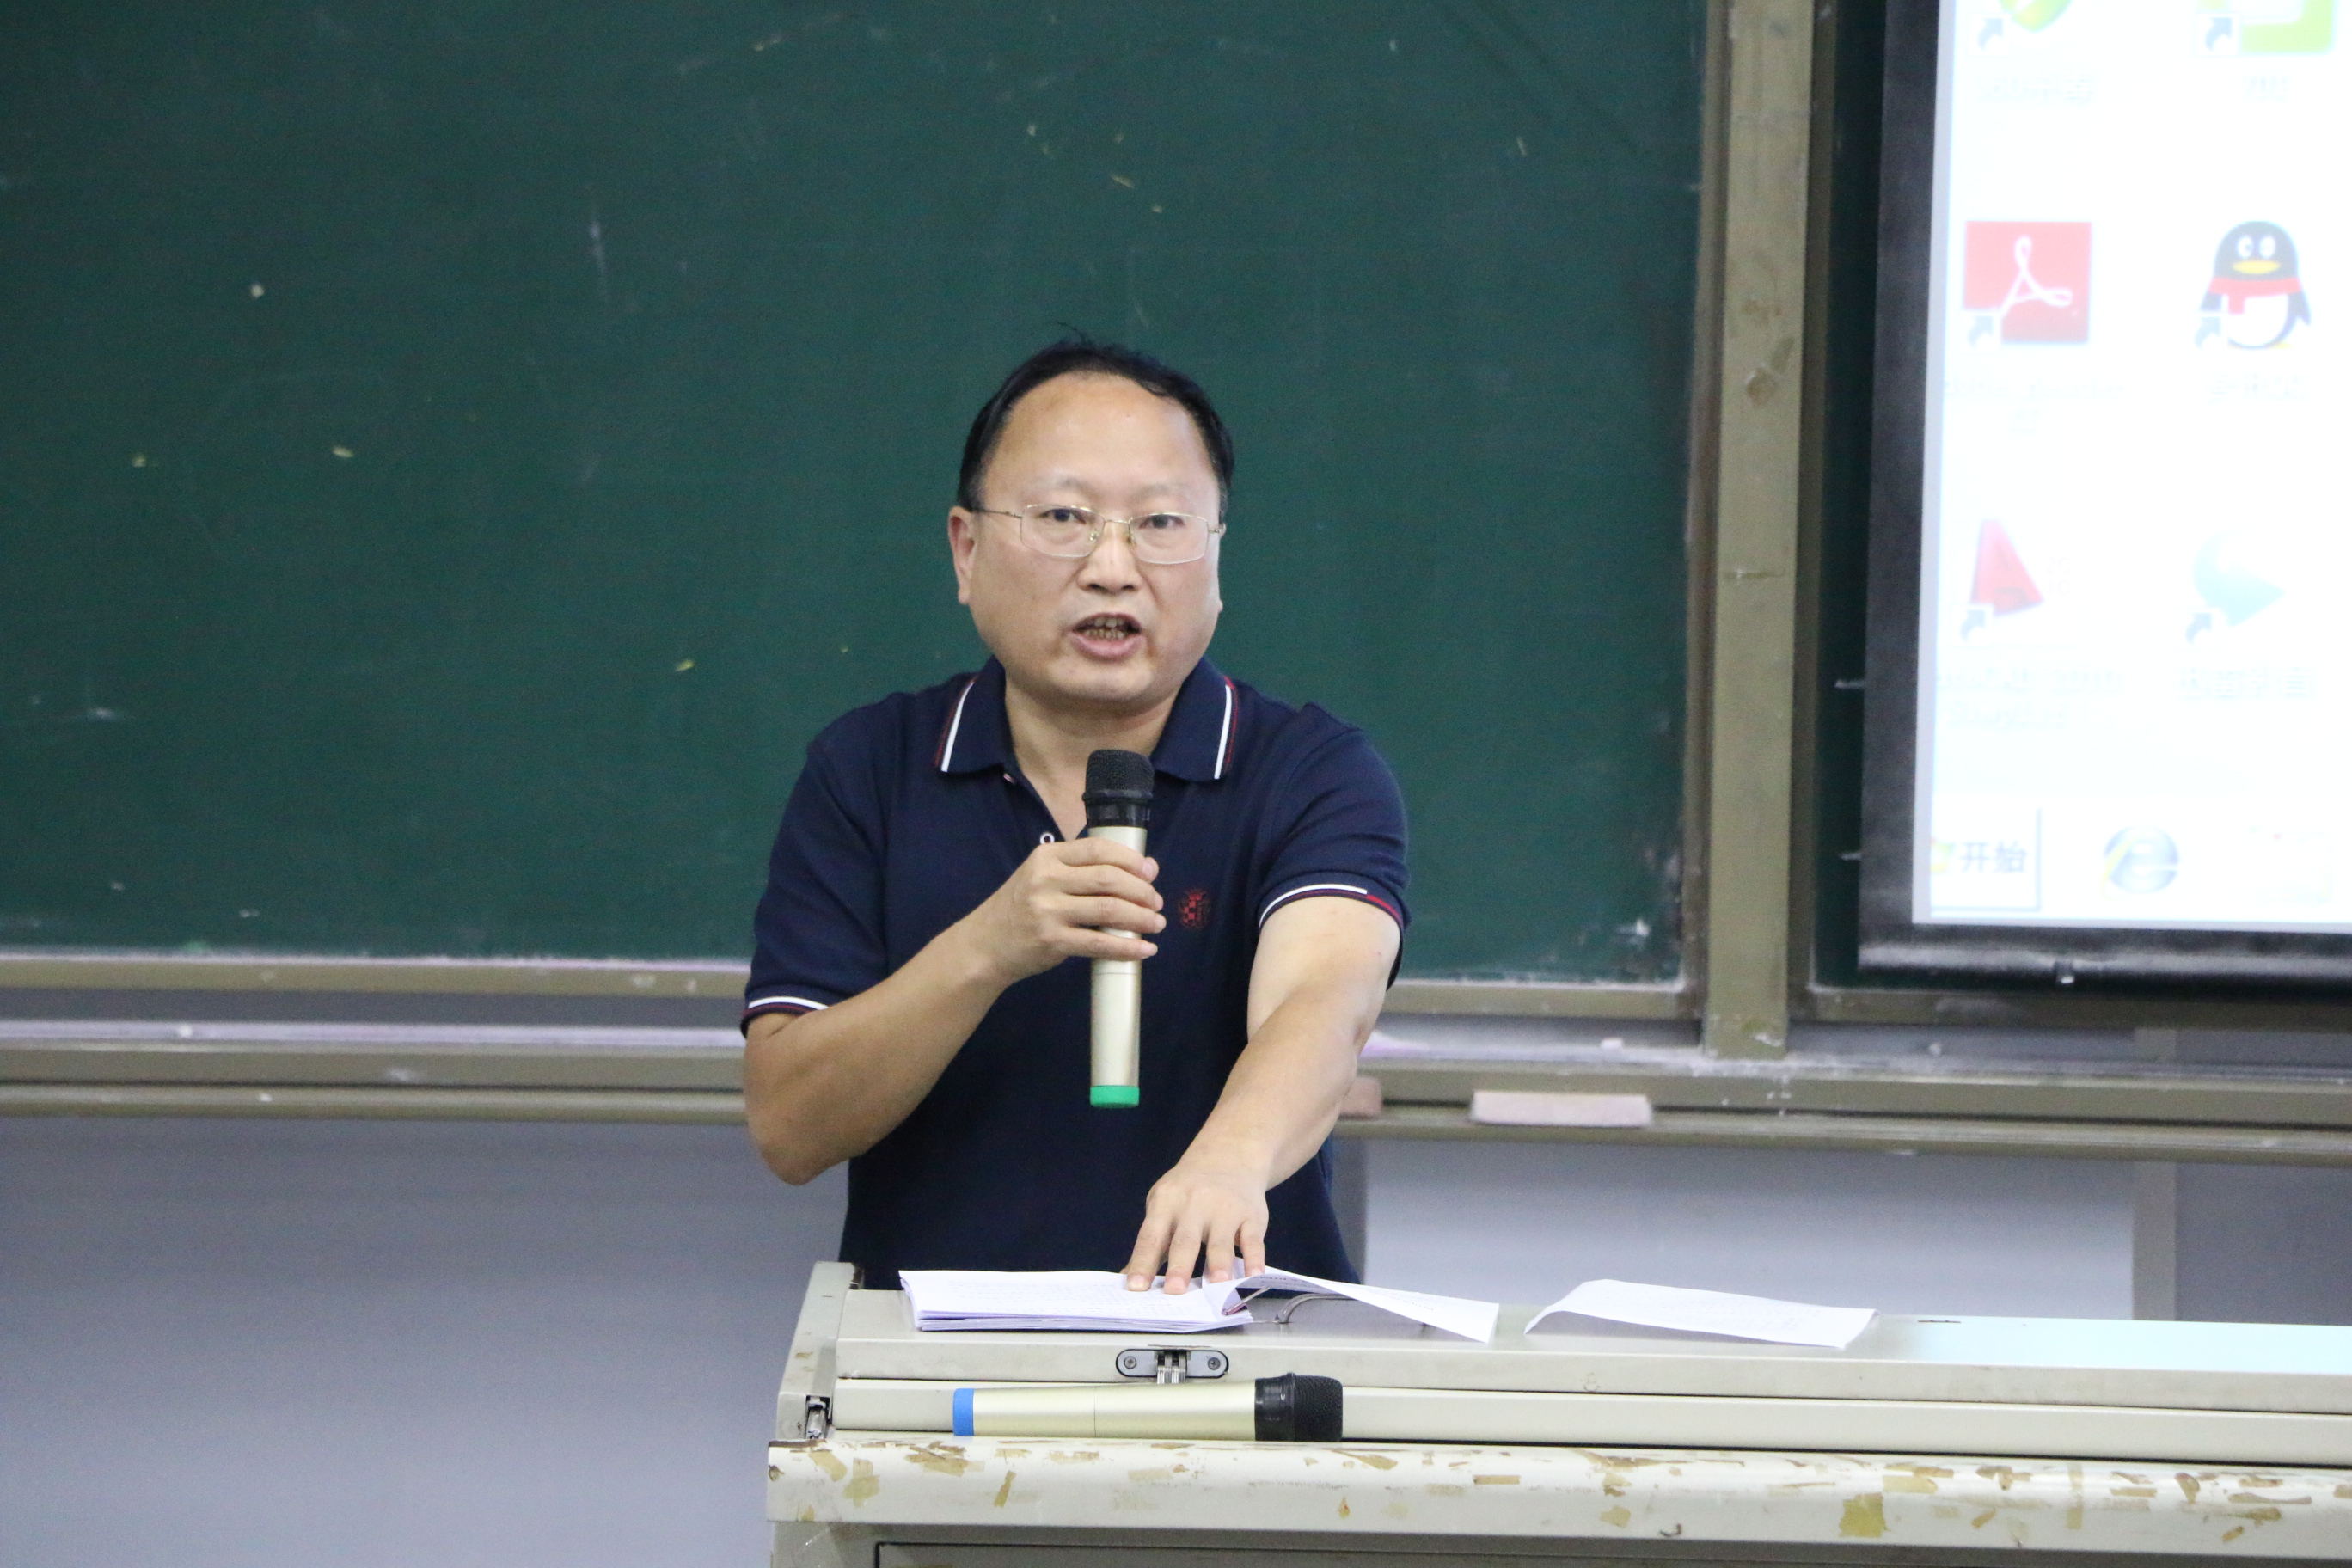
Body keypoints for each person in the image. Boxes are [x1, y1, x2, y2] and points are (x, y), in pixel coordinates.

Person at [741, 338, 1407, 1296]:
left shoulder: (1310, 770)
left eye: (1161, 522)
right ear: (966, 550)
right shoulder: (869, 769)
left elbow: (1326, 1001)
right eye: (1063, 517)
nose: (1112, 567)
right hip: (939, 1356)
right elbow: (790, 1129)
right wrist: (991, 946)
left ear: (1218, 552)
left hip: (1233, 1346)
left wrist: (1230, 1161)